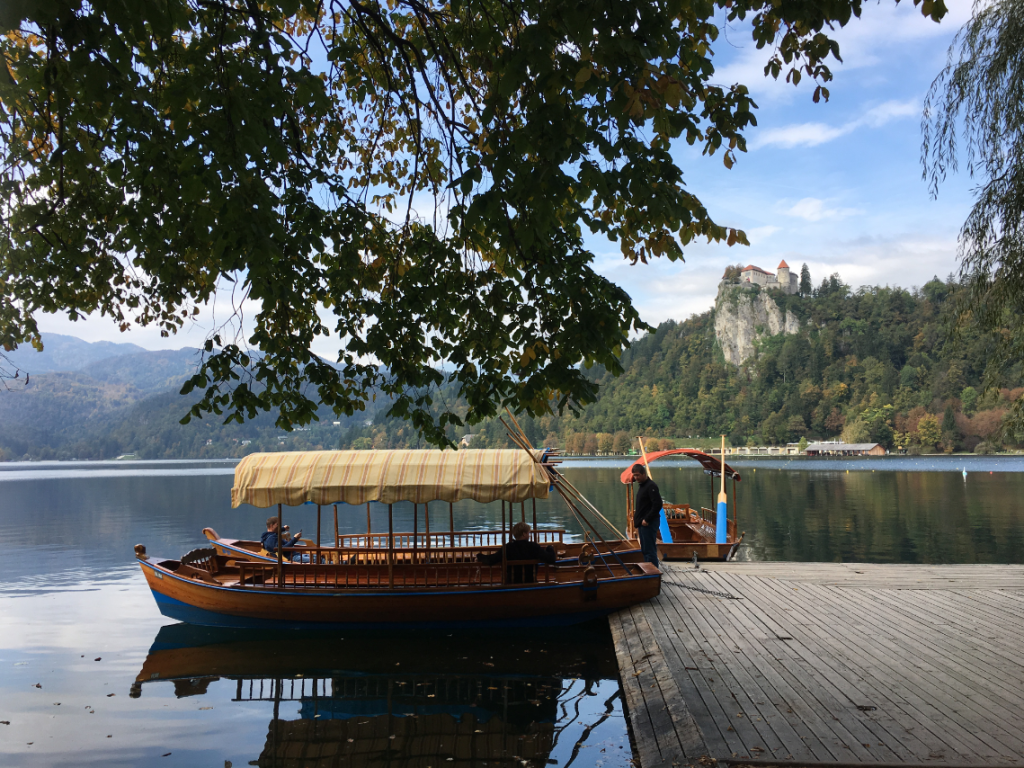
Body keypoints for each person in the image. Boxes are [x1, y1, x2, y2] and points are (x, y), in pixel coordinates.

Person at [477, 521, 557, 583]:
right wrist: (550, 548)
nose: (529, 535)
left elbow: (491, 560)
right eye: (528, 533)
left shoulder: (508, 548)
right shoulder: (533, 547)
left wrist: (479, 556)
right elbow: (551, 559)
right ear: (524, 534)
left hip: (512, 583)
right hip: (530, 582)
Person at [631, 464, 661, 568]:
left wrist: (647, 519)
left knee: (649, 550)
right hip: (642, 523)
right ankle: (649, 570)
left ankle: (654, 573)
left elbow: (657, 505)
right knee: (645, 550)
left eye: (638, 475)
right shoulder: (642, 486)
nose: (636, 478)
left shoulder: (651, 486)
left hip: (648, 523)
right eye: (634, 476)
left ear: (644, 474)